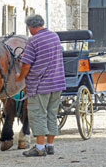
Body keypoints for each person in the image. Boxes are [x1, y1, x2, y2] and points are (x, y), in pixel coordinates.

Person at [15, 14, 66, 157]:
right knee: (51, 114)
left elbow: (26, 64)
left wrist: (20, 77)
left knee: (38, 114)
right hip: (57, 83)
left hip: (40, 85)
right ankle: (50, 146)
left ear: (31, 27)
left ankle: (39, 147)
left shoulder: (33, 40)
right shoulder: (54, 36)